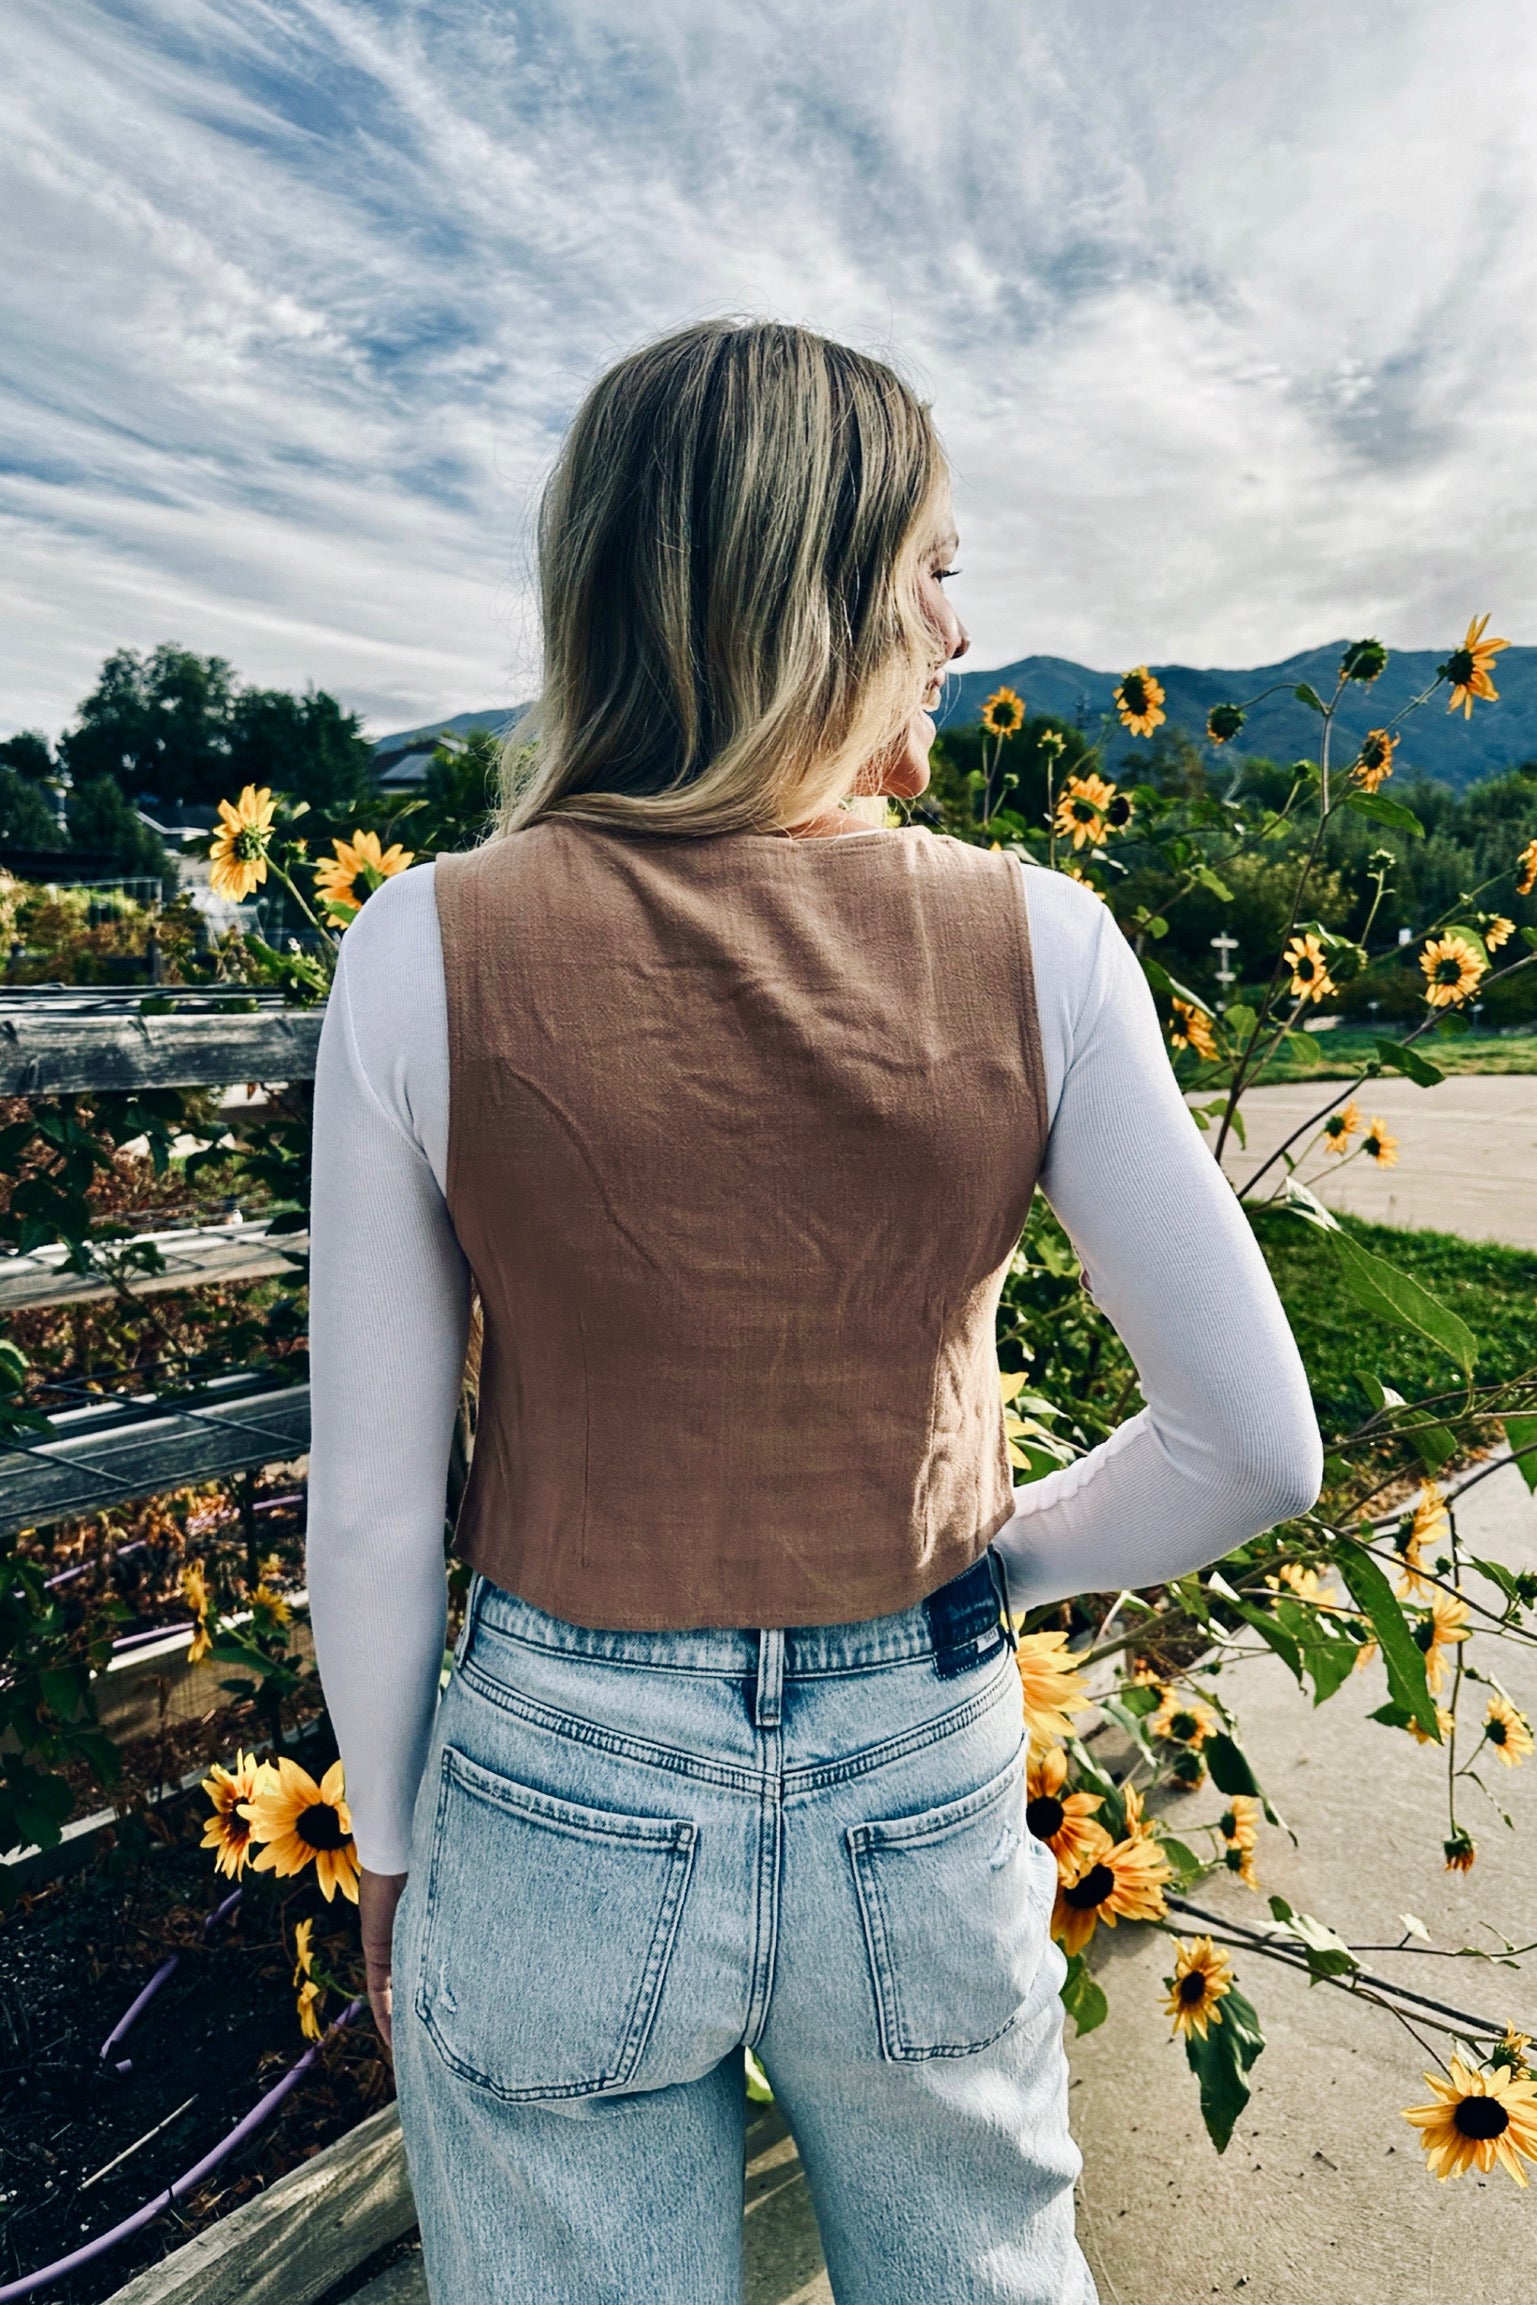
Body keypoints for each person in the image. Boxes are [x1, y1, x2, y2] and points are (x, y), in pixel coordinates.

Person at [306, 318, 1321, 2304]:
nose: (958, 627)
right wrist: (998, 1579)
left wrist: (391, 1843)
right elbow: (1250, 1445)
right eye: (935, 566)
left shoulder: (424, 945)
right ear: (818, 583)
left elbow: (371, 1501)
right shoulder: (1043, 942)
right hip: (912, 1775)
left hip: (556, 1779)